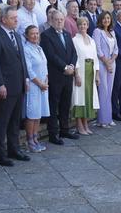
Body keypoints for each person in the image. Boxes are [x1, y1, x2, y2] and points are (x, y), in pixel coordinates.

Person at [0, 5, 30, 166]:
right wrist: (0, 85)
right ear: (3, 19)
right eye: (13, 18)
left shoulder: (17, 36)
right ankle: (0, 154)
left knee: (14, 121)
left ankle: (14, 149)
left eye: (16, 18)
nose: (16, 21)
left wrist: (26, 79)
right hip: (6, 86)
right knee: (2, 121)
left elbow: (22, 60)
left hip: (19, 84)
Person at [40, 10, 78, 145]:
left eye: (61, 19)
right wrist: (65, 67)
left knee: (65, 104)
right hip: (56, 75)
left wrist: (72, 66)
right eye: (57, 20)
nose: (59, 22)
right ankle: (53, 133)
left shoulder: (67, 35)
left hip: (68, 75)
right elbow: (51, 55)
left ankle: (65, 129)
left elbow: (74, 53)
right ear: (51, 20)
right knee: (54, 104)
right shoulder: (45, 35)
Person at [22, 25, 49, 152]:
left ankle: (36, 138)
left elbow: (44, 65)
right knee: (32, 114)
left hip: (43, 86)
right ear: (27, 35)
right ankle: (30, 140)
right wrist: (40, 83)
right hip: (33, 86)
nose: (35, 36)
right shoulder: (26, 49)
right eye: (32, 34)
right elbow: (29, 70)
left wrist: (46, 80)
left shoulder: (39, 48)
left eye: (37, 33)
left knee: (39, 113)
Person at [72, 17, 100, 135]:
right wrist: (76, 75)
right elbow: (75, 57)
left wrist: (97, 74)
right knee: (80, 97)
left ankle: (86, 124)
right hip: (81, 71)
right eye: (80, 25)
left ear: (88, 25)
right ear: (77, 26)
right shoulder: (74, 40)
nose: (82, 26)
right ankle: (79, 125)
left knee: (89, 97)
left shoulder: (91, 40)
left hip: (91, 70)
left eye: (84, 24)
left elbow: (95, 57)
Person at [92, 12, 117, 128]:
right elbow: (97, 48)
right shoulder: (97, 31)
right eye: (104, 18)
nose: (106, 20)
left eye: (108, 18)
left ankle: (109, 118)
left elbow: (116, 49)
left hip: (112, 64)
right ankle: (102, 120)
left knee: (110, 91)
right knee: (103, 91)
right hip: (102, 64)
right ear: (101, 20)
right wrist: (106, 62)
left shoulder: (112, 32)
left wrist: (111, 61)